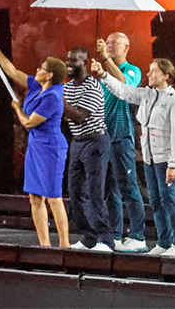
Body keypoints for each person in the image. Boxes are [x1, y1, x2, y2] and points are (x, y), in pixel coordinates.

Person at [93, 56, 175, 257]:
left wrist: (173, 164)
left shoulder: (174, 102)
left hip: (164, 160)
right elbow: (123, 91)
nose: (149, 74)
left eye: (153, 71)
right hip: (150, 159)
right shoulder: (147, 95)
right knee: (155, 200)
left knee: (169, 200)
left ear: (166, 75)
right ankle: (164, 241)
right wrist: (103, 75)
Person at [0, 40, 70, 248]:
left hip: (51, 147)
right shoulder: (36, 86)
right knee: (35, 196)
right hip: (36, 146)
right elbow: (12, 71)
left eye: (42, 68)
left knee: (53, 197)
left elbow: (30, 122)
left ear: (50, 75)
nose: (37, 69)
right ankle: (44, 244)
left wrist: (17, 108)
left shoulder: (53, 96)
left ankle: (65, 244)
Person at [96, 33, 148, 253]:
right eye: (107, 43)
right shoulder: (100, 73)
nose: (109, 46)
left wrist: (106, 61)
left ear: (126, 47)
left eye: (113, 43)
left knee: (128, 187)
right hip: (103, 137)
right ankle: (115, 234)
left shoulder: (133, 70)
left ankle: (138, 235)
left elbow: (125, 87)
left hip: (121, 136)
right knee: (109, 189)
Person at [63, 46, 114, 252]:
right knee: (75, 193)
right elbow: (66, 114)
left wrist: (59, 98)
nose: (68, 65)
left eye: (73, 61)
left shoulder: (93, 87)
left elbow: (79, 115)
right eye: (67, 60)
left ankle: (106, 239)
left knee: (94, 192)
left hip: (95, 142)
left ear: (84, 63)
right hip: (77, 142)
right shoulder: (68, 87)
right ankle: (89, 236)